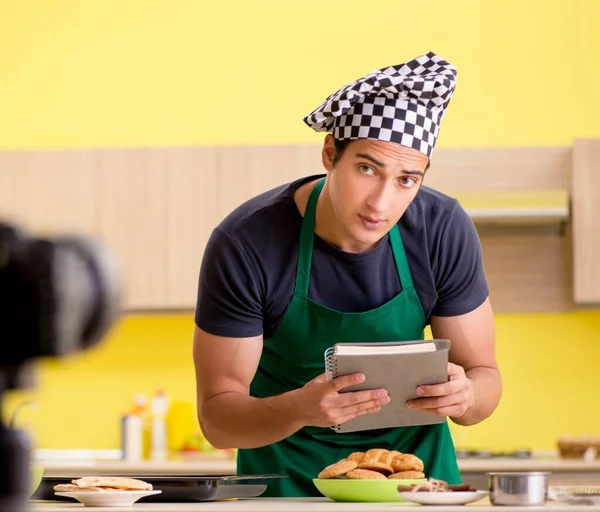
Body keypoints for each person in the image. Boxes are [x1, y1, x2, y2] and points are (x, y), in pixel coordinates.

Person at [192, 51, 502, 497]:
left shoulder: (442, 229)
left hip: (415, 488)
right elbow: (218, 421)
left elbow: (485, 376)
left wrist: (468, 396)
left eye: (406, 180)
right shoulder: (247, 244)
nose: (381, 202)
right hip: (285, 490)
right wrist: (300, 408)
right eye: (366, 168)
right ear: (329, 153)